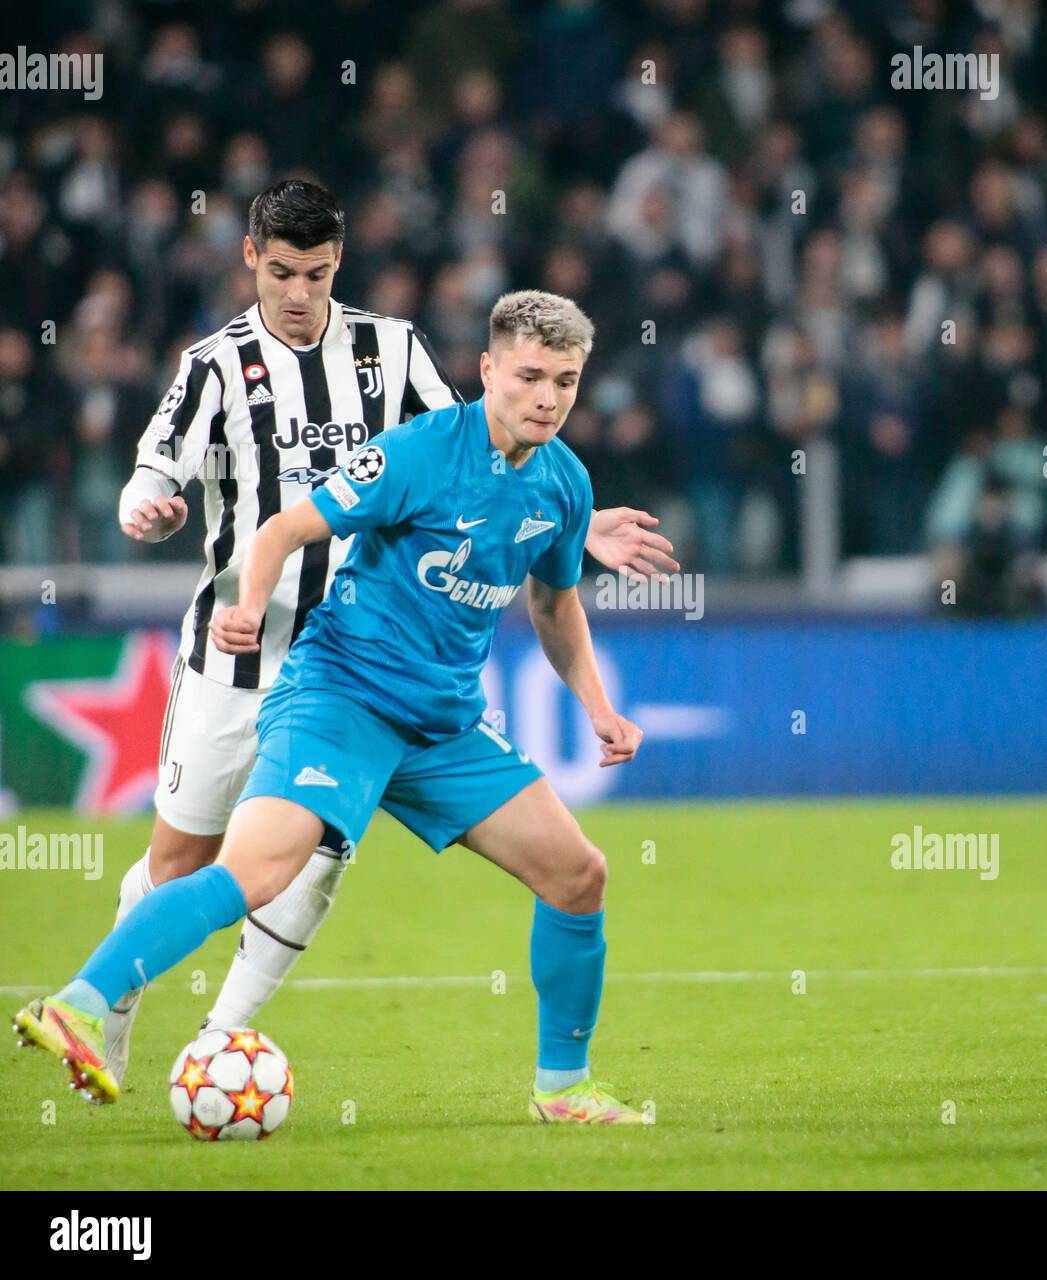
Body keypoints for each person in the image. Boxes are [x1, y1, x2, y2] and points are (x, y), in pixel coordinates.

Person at [107, 180, 677, 1090]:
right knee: (188, 859)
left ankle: (219, 1041)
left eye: (319, 274)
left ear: (340, 266)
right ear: (251, 258)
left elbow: (473, 458)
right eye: (284, 273)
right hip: (243, 647)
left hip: (361, 656)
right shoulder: (213, 364)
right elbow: (153, 464)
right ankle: (113, 1004)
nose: (300, 294)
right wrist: (146, 506)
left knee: (317, 865)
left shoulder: (390, 348)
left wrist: (581, 515)